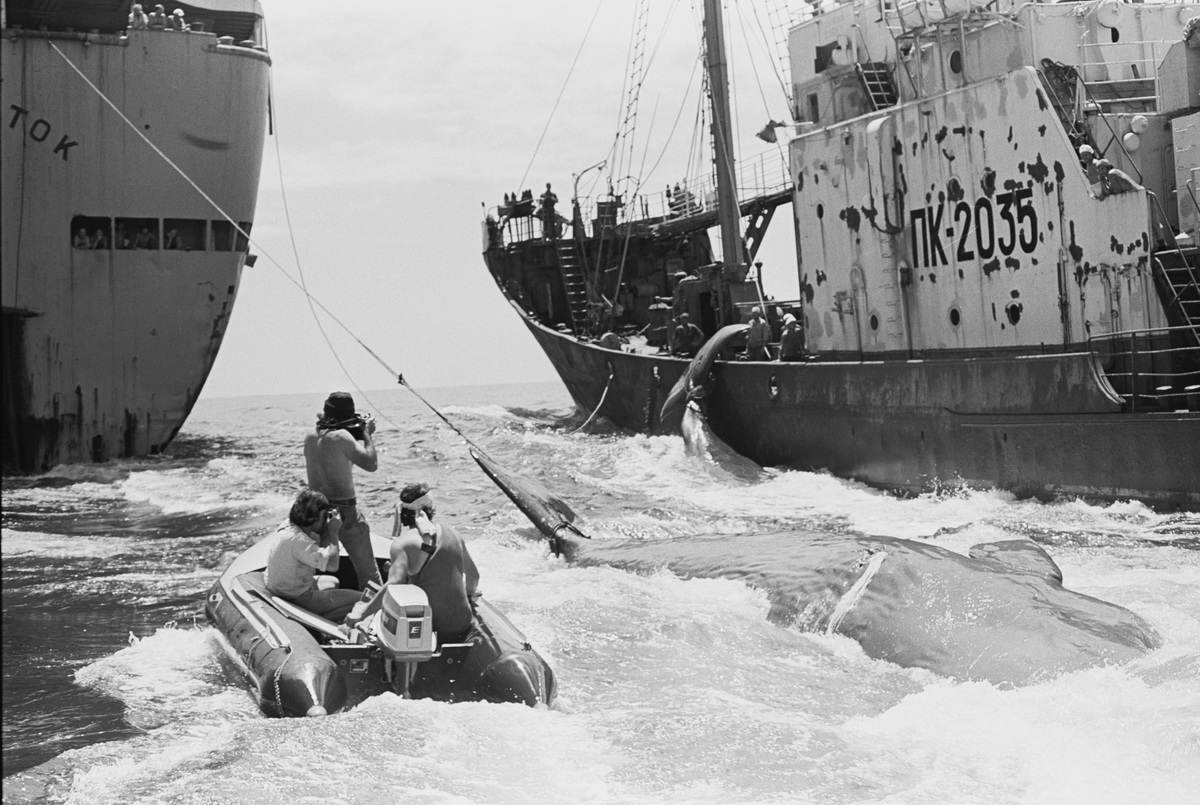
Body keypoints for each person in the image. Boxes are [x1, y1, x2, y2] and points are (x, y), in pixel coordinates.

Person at [345, 483, 479, 643]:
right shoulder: (455, 535)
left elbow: (394, 584)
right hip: (462, 623)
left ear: (402, 513)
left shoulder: (402, 544)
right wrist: (468, 598)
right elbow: (474, 576)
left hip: (432, 629)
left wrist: (362, 613)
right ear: (431, 509)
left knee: (365, 616)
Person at [304, 391, 382, 590]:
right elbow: (371, 464)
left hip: (316, 512)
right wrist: (367, 434)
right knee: (369, 576)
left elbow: (333, 464)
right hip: (345, 514)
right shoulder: (342, 437)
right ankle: (371, 613)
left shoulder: (311, 437)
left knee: (315, 568)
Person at [264, 489, 362, 621]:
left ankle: (323, 613)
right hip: (296, 596)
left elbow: (320, 552)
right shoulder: (300, 541)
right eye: (323, 516)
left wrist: (326, 526)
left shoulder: (288, 526)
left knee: (333, 582)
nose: (324, 521)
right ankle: (322, 624)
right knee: (360, 600)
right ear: (312, 517)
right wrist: (334, 532)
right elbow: (333, 566)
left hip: (280, 588)